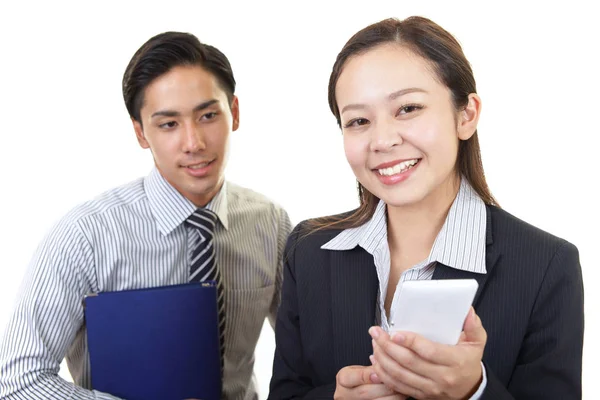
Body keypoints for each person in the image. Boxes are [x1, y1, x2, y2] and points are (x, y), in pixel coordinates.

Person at [268, 16, 583, 400]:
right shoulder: (309, 250)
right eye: (358, 120)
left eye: (408, 108)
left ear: (466, 115)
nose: (382, 140)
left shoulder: (546, 265)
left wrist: (473, 391)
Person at [0, 31, 291, 400]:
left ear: (233, 112)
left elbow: (305, 358)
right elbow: (20, 380)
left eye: (207, 115)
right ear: (140, 132)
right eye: (169, 124)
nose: (194, 142)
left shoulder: (271, 224)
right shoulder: (85, 236)